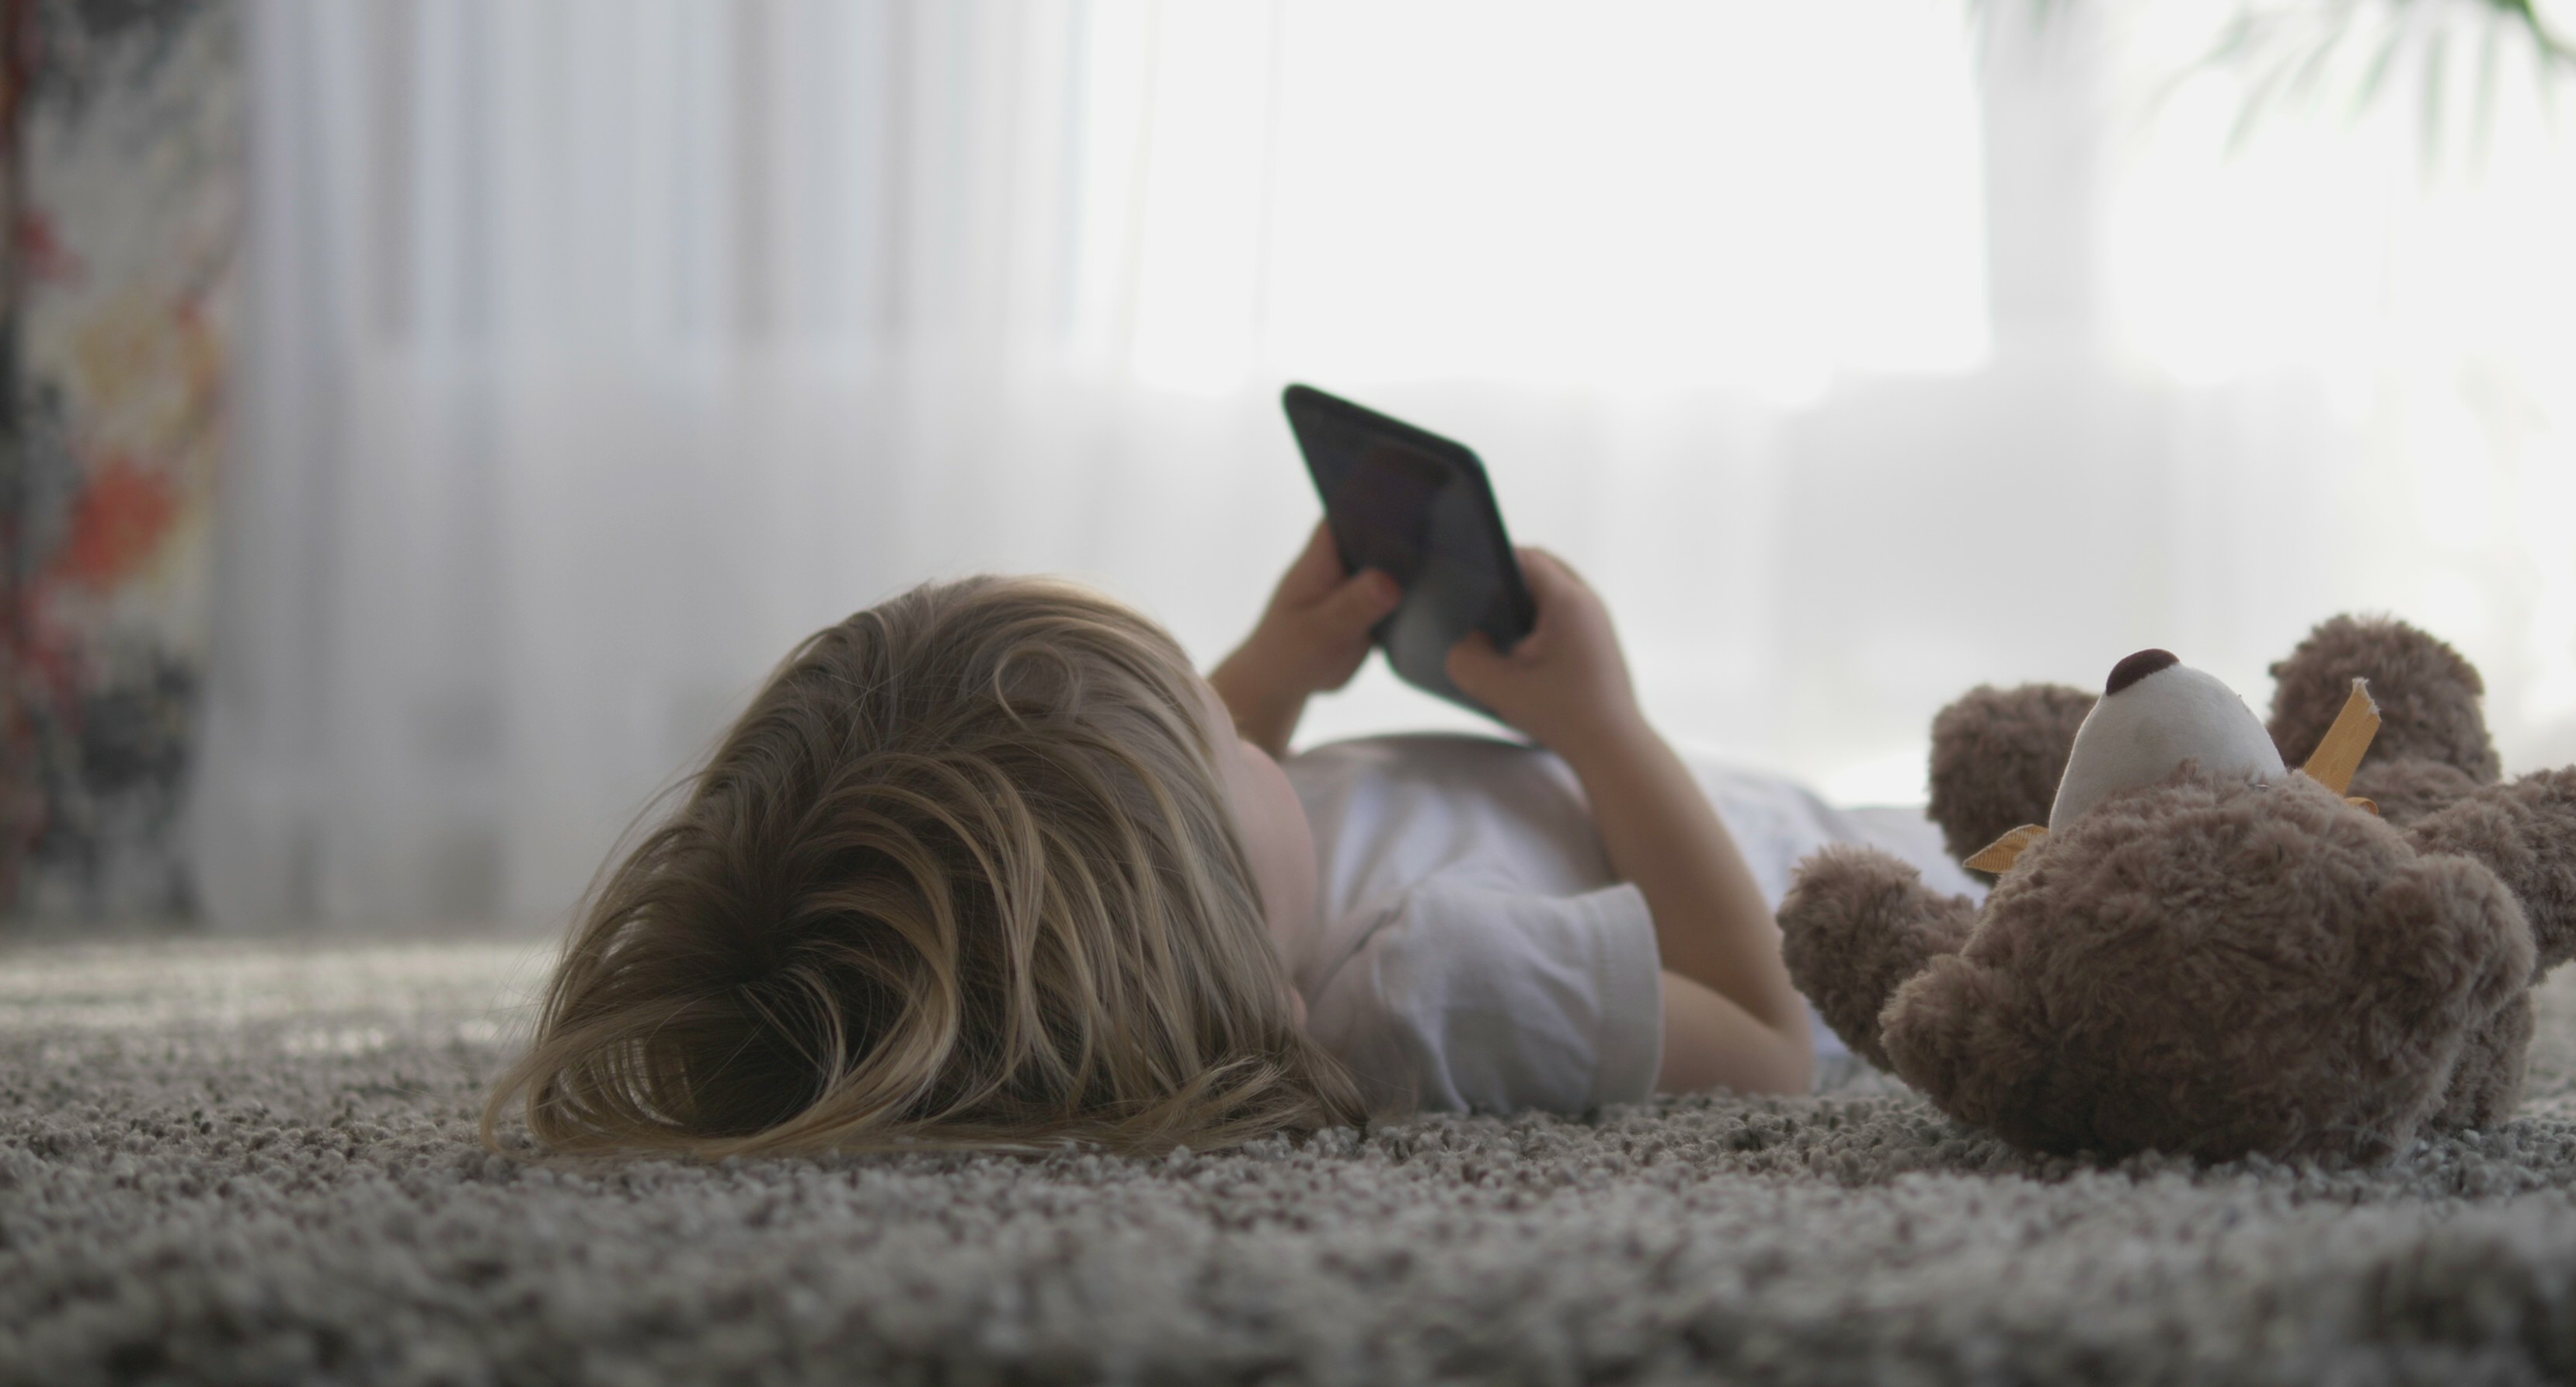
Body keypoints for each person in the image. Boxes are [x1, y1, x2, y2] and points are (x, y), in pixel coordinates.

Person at [484, 528, 1965, 1156]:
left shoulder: (1203, 945)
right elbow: (1766, 1028)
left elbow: (1170, 835)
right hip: (1886, 893)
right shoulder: (1435, 986)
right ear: (1214, 908)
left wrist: (1279, 662)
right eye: (1225, 732)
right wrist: (1602, 723)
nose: (1253, 730)